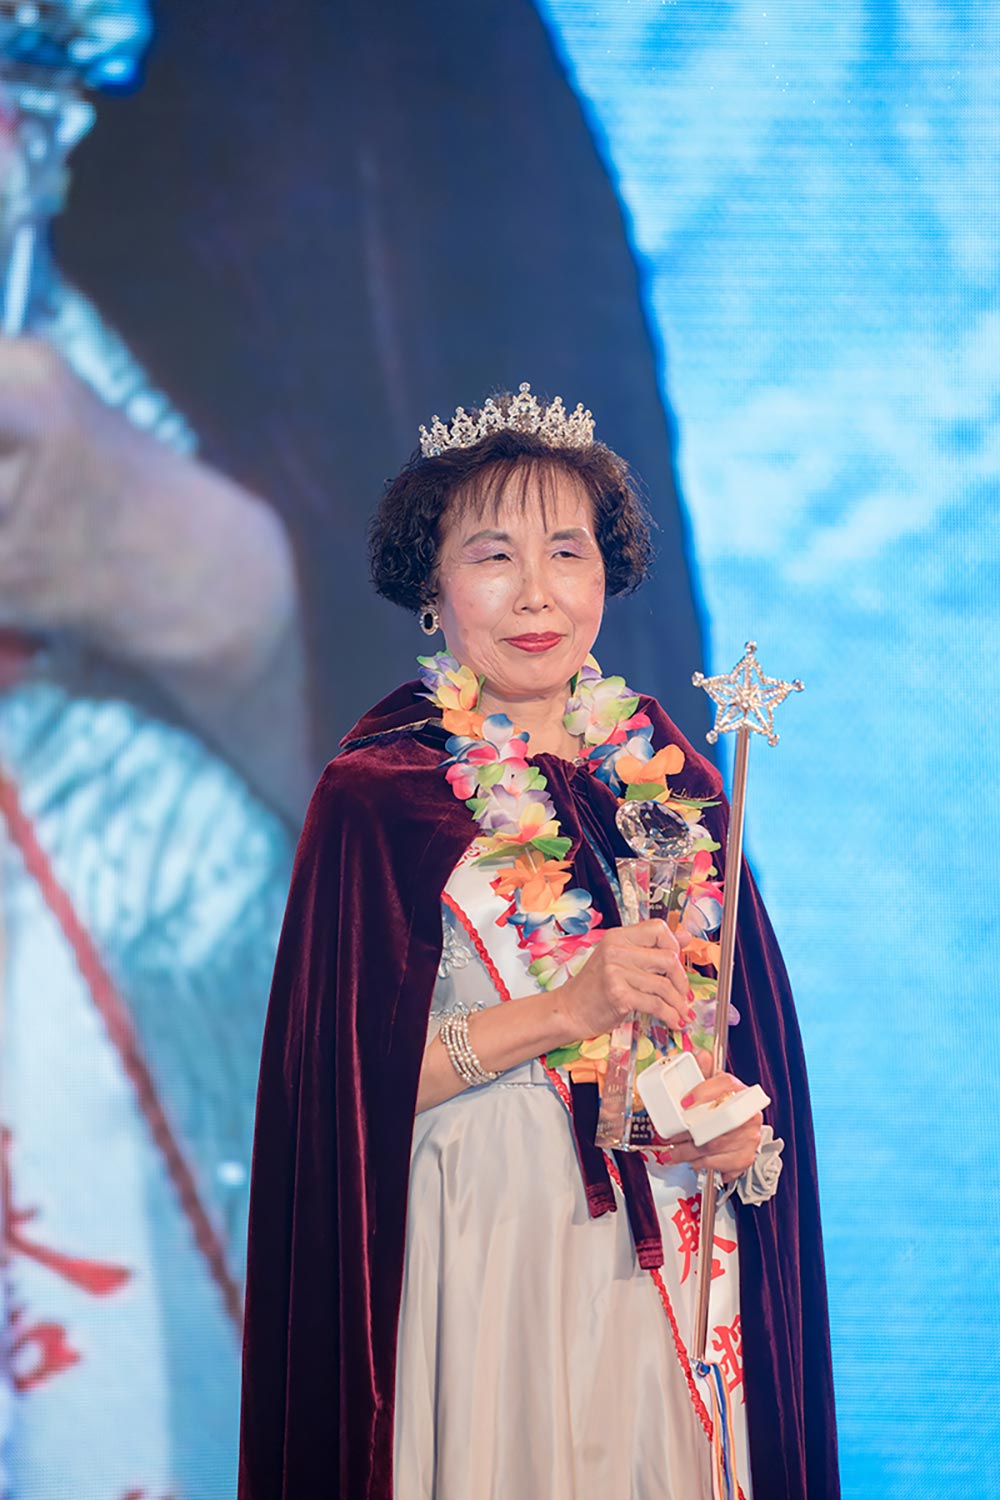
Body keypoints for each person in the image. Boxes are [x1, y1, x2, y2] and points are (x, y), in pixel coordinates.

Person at [238, 386, 840, 1500]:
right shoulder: (380, 794)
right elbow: (336, 1092)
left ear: (606, 575)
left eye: (567, 552)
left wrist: (737, 1136)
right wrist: (562, 1013)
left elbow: (735, 1040)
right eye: (492, 556)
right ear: (432, 589)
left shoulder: (675, 785)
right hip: (482, 1247)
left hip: (667, 1254)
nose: (535, 593)